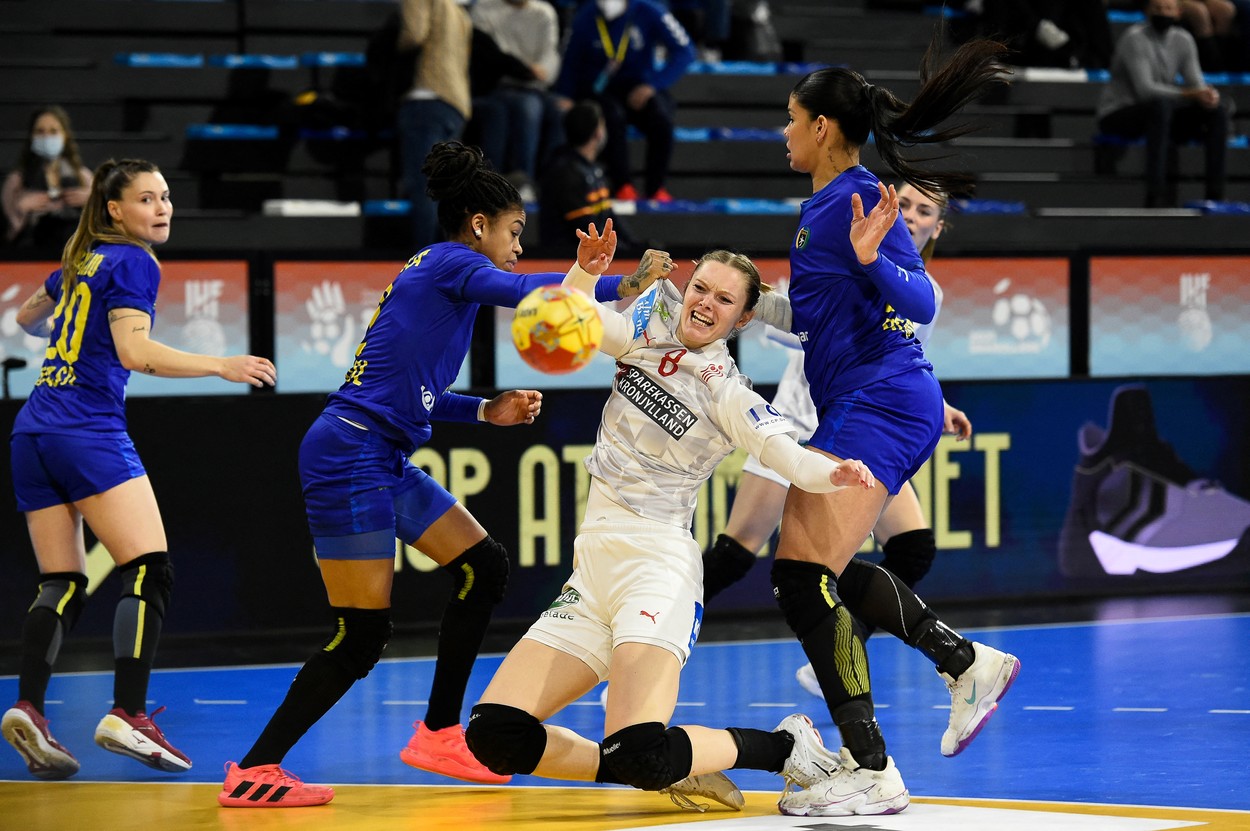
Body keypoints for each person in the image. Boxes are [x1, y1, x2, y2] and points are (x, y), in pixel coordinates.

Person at [216, 142, 665, 808]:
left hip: (375, 448)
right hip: (352, 454)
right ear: (479, 224)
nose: (518, 244)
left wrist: (486, 408)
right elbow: (523, 294)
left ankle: (438, 731)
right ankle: (255, 769)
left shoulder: (435, 269)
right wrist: (619, 285)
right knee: (360, 634)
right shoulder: (456, 262)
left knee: (485, 565)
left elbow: (411, 392)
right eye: (513, 231)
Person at [464, 241, 877, 812]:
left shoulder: (725, 388)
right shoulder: (650, 320)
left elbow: (788, 457)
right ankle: (673, 764)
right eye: (701, 288)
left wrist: (838, 474)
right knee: (493, 734)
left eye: (725, 300)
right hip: (592, 572)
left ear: (744, 317)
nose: (706, 304)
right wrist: (586, 271)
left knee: (637, 747)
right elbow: (577, 321)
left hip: (656, 569)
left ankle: (784, 749)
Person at [732, 40, 1024, 817]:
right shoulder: (824, 205)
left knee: (800, 575)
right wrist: (735, 296)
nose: (784, 132)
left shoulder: (860, 198)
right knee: (808, 566)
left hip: (884, 400)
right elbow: (812, 318)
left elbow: (921, 300)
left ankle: (873, 766)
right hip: (869, 399)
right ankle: (964, 664)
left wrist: (874, 261)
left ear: (824, 126)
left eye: (792, 120)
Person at [1, 159, 278, 781]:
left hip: (33, 431)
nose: (163, 207)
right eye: (147, 199)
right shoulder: (133, 261)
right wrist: (220, 365)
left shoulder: (82, 260)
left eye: (166, 196)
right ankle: (127, 711)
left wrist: (67, 336)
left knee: (62, 581)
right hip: (86, 432)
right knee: (149, 568)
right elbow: (134, 352)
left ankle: (30, 708)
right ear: (114, 210)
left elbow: (24, 316)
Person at [701, 184, 973, 700]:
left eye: (924, 212)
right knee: (737, 556)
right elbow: (790, 326)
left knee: (911, 549)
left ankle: (847, 646)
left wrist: (937, 409)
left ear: (938, 228)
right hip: (795, 427)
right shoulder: (844, 259)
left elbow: (905, 363)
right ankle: (654, 639)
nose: (911, 217)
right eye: (905, 205)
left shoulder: (925, 294)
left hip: (859, 432)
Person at [554, 0, 696, 201]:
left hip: (638, 86)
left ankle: (656, 188)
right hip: (600, 89)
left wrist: (654, 84)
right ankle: (622, 185)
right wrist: (566, 96)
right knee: (611, 116)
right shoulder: (586, 17)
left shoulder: (649, 11)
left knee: (661, 118)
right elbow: (570, 61)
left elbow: (685, 51)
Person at [1096, 0, 1230, 208]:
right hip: (1119, 113)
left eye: (1168, 8)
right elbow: (1145, 91)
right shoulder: (1134, 38)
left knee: (1216, 112)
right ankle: (1155, 194)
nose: (1162, 13)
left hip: (1160, 113)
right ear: (1147, 11)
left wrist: (1208, 96)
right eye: (1157, 8)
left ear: (1178, 12)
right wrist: (1191, 93)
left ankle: (1215, 196)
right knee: (1160, 107)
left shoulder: (1183, 39)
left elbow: (1196, 83)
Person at [470, 0, 568, 196]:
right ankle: (522, 184)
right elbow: (493, 56)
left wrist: (538, 71)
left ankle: (551, 183)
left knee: (561, 111)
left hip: (537, 87)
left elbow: (550, 58)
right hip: (500, 87)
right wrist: (523, 69)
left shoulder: (544, 13)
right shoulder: (483, 9)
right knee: (529, 109)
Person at [396, 0, 472, 250]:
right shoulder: (459, 11)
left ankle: (422, 269)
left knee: (425, 191)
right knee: (447, 192)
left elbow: (413, 35)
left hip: (425, 101)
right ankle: (446, 264)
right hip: (455, 104)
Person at [539, 100, 638, 252]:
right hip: (566, 261)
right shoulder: (565, 173)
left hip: (594, 257)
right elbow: (586, 229)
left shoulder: (593, 169)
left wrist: (635, 248)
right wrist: (624, 251)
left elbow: (610, 218)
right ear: (598, 132)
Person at [2, 105, 94, 249]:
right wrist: (20, 210)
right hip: (31, 257)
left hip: (75, 256)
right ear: (31, 136)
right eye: (40, 131)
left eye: (53, 131)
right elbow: (7, 238)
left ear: (65, 135)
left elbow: (101, 230)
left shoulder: (84, 177)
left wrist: (93, 202)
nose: (46, 137)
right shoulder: (16, 180)